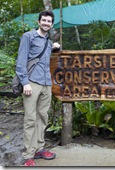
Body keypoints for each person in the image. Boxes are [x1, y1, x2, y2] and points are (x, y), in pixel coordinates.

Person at [15, 10, 60, 166]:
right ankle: (28, 155)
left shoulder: (47, 42)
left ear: (51, 24)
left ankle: (39, 148)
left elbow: (45, 57)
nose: (46, 23)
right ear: (39, 21)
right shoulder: (28, 36)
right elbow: (21, 61)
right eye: (44, 20)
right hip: (32, 83)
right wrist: (25, 82)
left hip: (47, 84)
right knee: (30, 119)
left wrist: (54, 46)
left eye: (49, 21)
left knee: (42, 117)